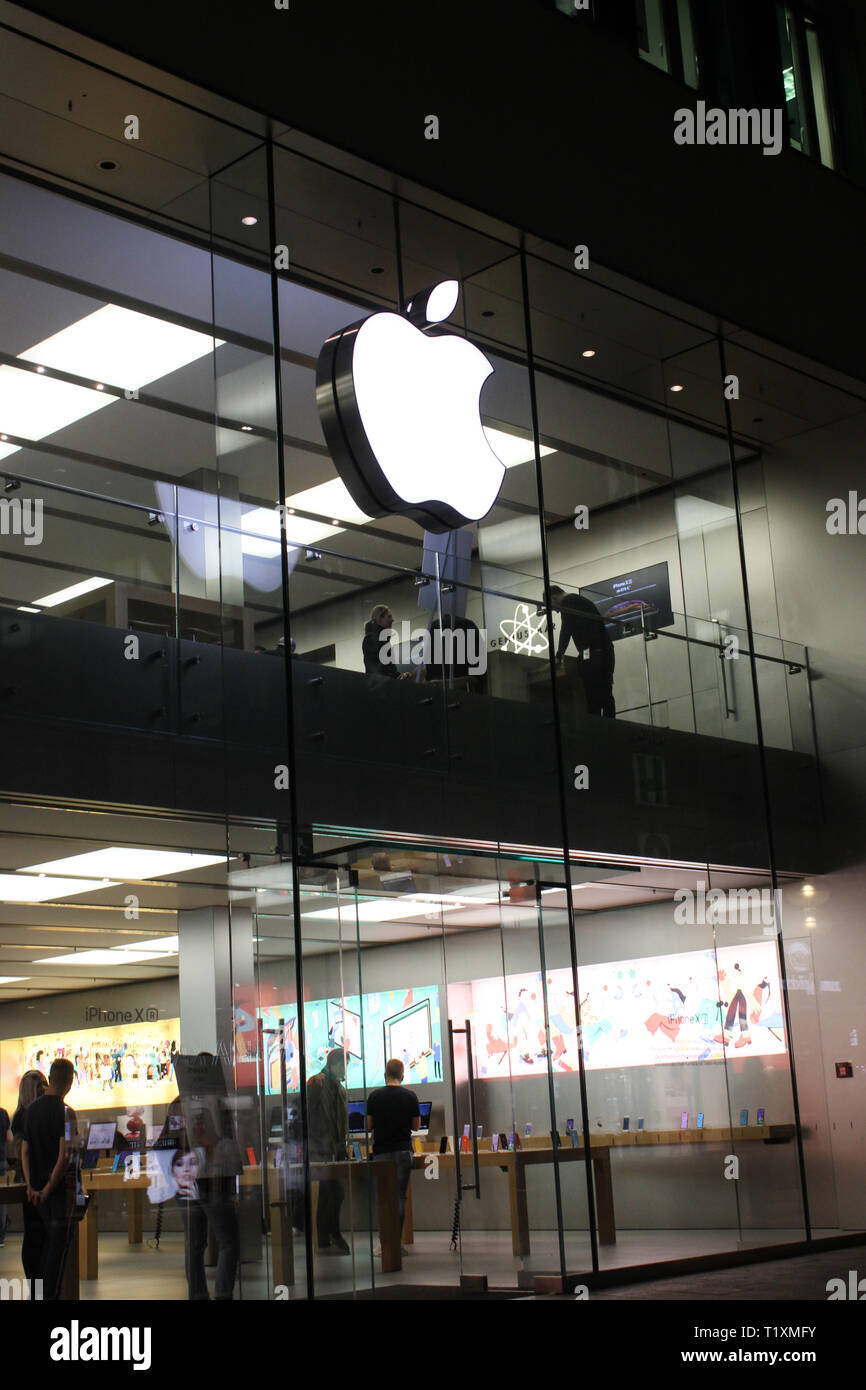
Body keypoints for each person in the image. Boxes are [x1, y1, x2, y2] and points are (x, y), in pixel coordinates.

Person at [19, 1057, 78, 1299]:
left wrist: (32, 1186)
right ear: (69, 1081)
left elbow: (24, 1151)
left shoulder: (31, 1110)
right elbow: (65, 1156)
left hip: (37, 1193)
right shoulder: (67, 1113)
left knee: (41, 1249)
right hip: (58, 1194)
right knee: (57, 1251)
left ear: (50, 1078)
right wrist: (48, 1188)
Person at [365, 1059, 420, 1258]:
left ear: (385, 1074)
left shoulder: (374, 1096)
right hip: (403, 1152)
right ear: (403, 1075)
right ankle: (396, 1243)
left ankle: (384, 1244)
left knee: (383, 1199)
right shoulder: (410, 1096)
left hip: (381, 1153)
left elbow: (368, 1125)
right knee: (399, 1197)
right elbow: (416, 1126)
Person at [548, 585, 615, 717]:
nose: (555, 611)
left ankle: (596, 729)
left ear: (554, 598)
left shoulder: (568, 602)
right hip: (603, 652)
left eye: (552, 607)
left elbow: (566, 629)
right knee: (606, 693)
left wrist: (559, 655)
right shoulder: (579, 601)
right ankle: (610, 727)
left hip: (594, 654)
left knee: (592, 695)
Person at [307, 1048, 350, 1253]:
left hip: (335, 1149)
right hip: (320, 1149)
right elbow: (305, 1115)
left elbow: (341, 1122)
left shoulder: (339, 1089)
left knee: (335, 1193)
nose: (345, 1070)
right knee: (328, 1192)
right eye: (343, 1065)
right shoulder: (316, 1083)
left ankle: (328, 1234)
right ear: (333, 1064)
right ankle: (328, 1234)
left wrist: (343, 1146)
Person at [362, 604, 410, 680]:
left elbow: (387, 669)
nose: (392, 620)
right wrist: (398, 677)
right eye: (389, 616)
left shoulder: (381, 640)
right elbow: (379, 670)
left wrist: (400, 676)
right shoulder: (372, 639)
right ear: (379, 619)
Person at [0, 1101, 9, 1247]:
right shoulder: (2, 1113)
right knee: (1, 1199)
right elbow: (10, 1138)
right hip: (1, 1159)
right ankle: (0, 1235)